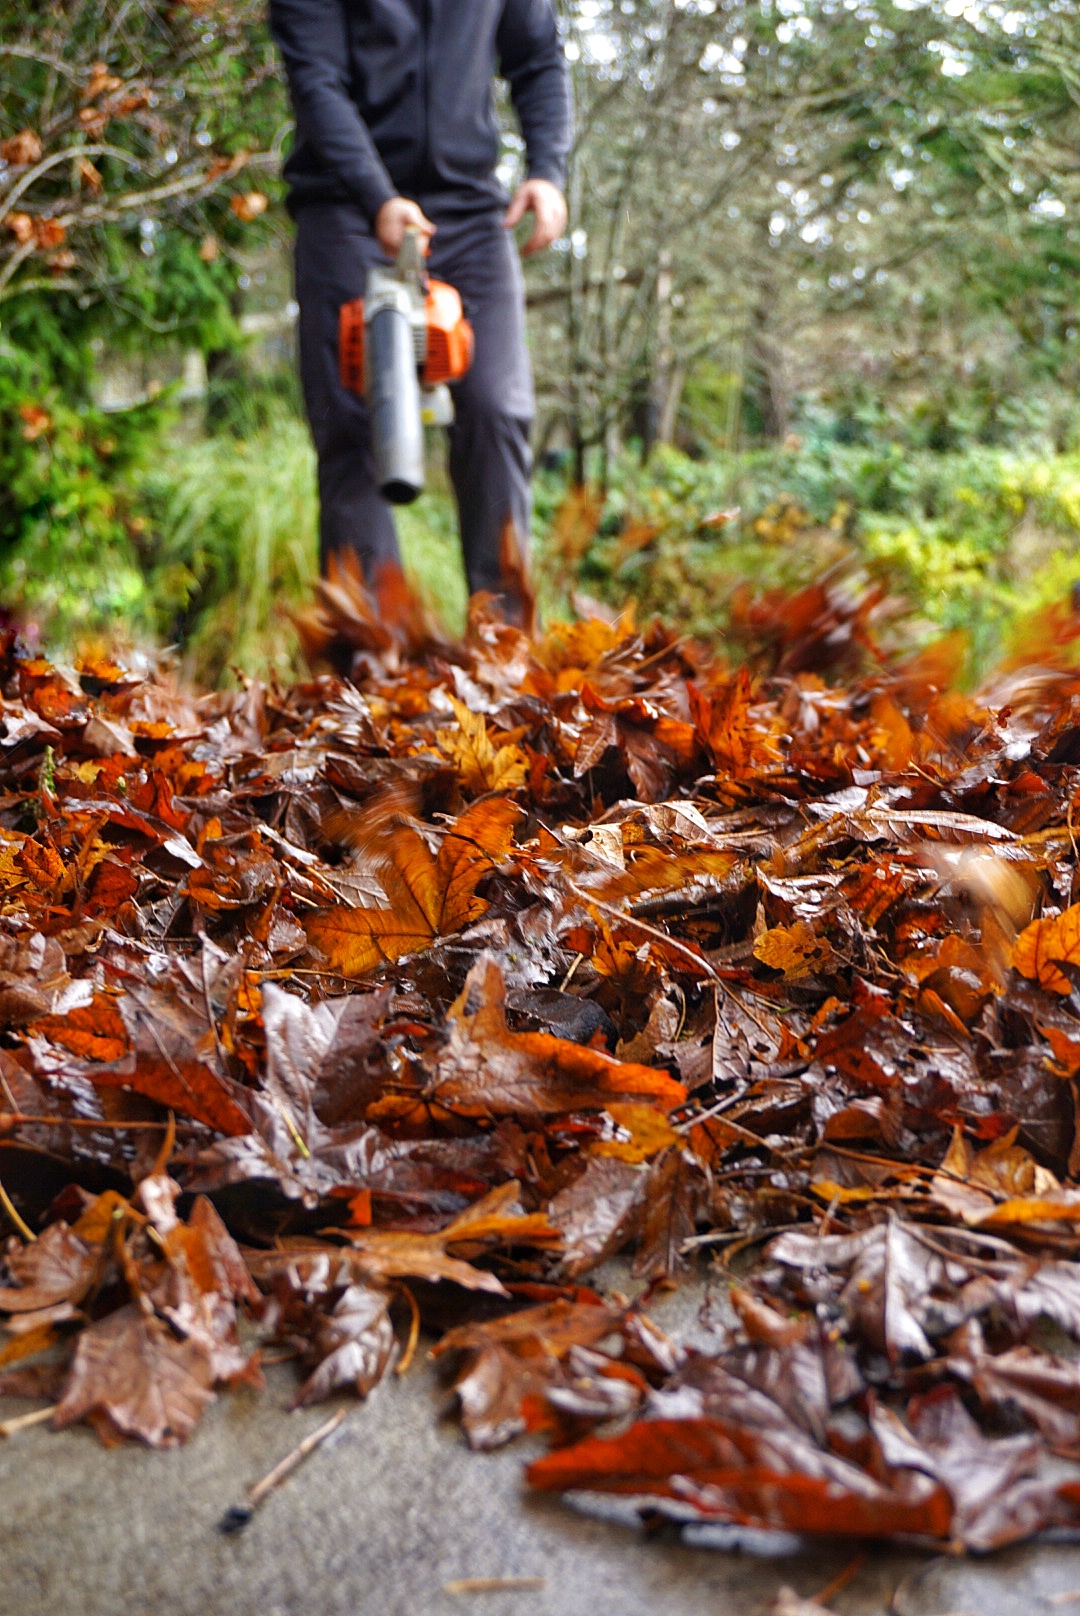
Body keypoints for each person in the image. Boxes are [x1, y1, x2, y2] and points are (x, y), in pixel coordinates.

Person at [268, 0, 572, 622]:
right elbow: (316, 80)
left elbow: (538, 57)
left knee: (496, 406)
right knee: (355, 419)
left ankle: (505, 643)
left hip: (469, 211)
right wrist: (379, 197)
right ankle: (372, 663)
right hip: (345, 205)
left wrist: (547, 170)